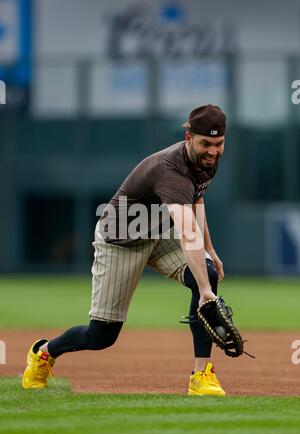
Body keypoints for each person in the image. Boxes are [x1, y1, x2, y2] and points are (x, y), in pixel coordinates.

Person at [22, 104, 227, 396]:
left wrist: (211, 252)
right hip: (121, 239)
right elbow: (187, 230)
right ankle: (43, 353)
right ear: (188, 137)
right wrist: (206, 290)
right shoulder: (171, 169)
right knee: (101, 335)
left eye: (218, 144)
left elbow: (197, 201)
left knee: (205, 272)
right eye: (205, 143)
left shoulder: (208, 159)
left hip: (157, 229)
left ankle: (201, 376)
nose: (213, 151)